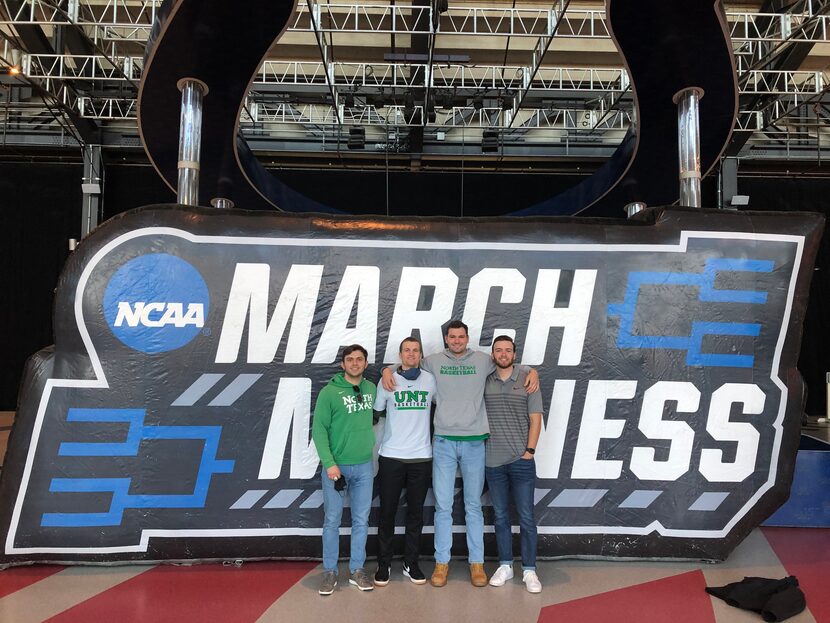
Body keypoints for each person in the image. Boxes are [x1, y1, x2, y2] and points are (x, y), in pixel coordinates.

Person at [382, 320, 538, 588]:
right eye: (452, 337)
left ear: (467, 338)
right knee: (443, 506)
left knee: (472, 506)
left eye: (461, 336)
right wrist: (389, 369)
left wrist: (530, 370)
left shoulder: (482, 360)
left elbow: (506, 363)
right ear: (446, 339)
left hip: (475, 442)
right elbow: (408, 364)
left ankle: (476, 564)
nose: (456, 340)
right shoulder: (432, 361)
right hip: (442, 441)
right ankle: (441, 563)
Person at [311, 344, 377, 596]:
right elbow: (319, 431)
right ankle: (329, 572)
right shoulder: (329, 392)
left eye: (359, 359)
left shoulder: (370, 388)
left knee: (361, 521)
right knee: (332, 521)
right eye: (350, 359)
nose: (355, 363)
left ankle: (357, 570)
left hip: (363, 466)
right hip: (336, 469)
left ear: (365, 363)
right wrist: (330, 464)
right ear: (342, 364)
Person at [373, 336, 436, 587]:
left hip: (421, 457)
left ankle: (412, 563)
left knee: (415, 514)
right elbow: (377, 412)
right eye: (407, 350)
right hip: (391, 457)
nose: (411, 354)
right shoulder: (387, 380)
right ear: (400, 355)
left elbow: (444, 404)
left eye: (415, 350)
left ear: (421, 354)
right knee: (387, 513)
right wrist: (385, 371)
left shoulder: (430, 380)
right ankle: (384, 563)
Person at [483, 335, 543, 593]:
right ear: (492, 355)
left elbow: (536, 418)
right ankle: (506, 565)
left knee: (527, 518)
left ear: (515, 355)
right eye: (499, 350)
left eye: (508, 350)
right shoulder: (484, 379)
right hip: (493, 462)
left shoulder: (528, 379)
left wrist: (529, 451)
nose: (503, 354)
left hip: (521, 461)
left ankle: (529, 570)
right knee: (500, 516)